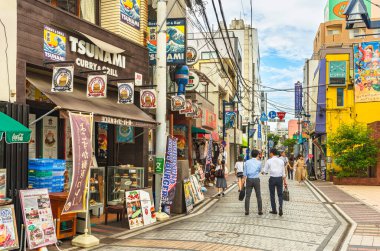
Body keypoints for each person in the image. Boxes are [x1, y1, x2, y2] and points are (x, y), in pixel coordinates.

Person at [263, 148, 287, 216]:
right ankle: (280, 207)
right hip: (279, 179)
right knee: (280, 194)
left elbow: (265, 171)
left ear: (271, 153)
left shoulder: (269, 161)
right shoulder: (281, 161)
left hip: (272, 179)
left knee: (272, 195)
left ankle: (274, 210)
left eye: (270, 153)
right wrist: (285, 181)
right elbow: (283, 172)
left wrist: (263, 172)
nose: (269, 154)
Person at [243, 150, 263, 216]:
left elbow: (245, 173)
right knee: (258, 195)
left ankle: (246, 211)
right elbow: (260, 170)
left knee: (248, 196)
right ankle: (260, 211)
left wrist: (243, 181)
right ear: (257, 155)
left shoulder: (247, 162)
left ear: (251, 155)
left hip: (249, 179)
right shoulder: (259, 162)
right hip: (256, 179)